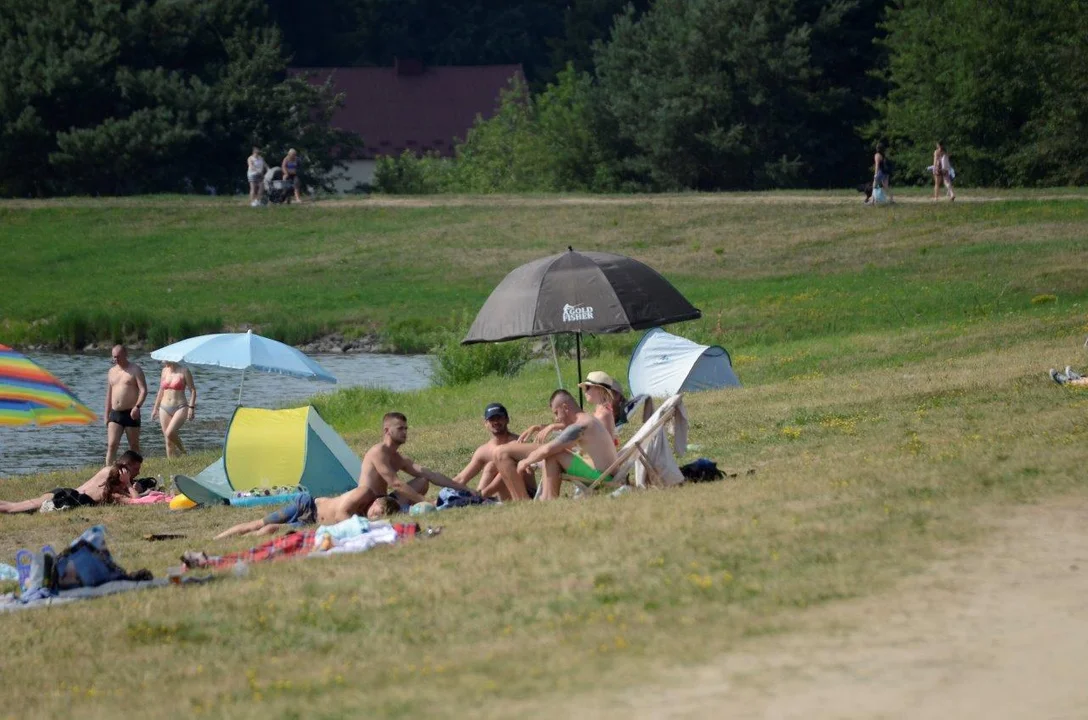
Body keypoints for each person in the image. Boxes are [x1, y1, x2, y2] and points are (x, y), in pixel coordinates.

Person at [215, 412, 475, 538]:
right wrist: (424, 503)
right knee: (262, 524)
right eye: (400, 428)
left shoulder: (397, 458)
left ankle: (239, 536)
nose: (405, 432)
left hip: (362, 506)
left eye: (407, 428)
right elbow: (395, 482)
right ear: (387, 430)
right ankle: (221, 538)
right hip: (313, 506)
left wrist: (464, 488)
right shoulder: (378, 453)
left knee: (422, 479)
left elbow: (428, 474)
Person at [493, 389, 619, 500]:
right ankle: (546, 499)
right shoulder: (586, 420)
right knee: (552, 453)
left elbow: (548, 449)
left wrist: (524, 462)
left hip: (602, 479)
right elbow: (558, 440)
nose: (556, 418)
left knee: (553, 453)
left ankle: (545, 499)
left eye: (556, 413)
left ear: (565, 407)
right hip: (603, 474)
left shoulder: (582, 425)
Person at [0, 451, 143, 514]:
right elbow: (136, 501)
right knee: (13, 509)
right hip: (68, 500)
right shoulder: (116, 482)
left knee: (17, 504)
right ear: (126, 465)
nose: (138, 472)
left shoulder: (107, 470)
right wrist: (130, 486)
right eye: (135, 469)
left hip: (65, 491)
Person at [451, 403, 536, 500]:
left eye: (499, 418)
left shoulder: (518, 443)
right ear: (486, 423)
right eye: (492, 419)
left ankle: (480, 497)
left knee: (502, 463)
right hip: (506, 497)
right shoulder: (484, 450)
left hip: (526, 493)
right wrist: (442, 495)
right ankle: (479, 498)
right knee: (491, 465)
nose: (496, 422)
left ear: (507, 419)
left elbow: (529, 469)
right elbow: (462, 478)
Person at [105, 345, 147, 465]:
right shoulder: (111, 371)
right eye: (114, 357)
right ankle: (108, 473)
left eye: (118, 357)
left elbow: (143, 390)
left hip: (131, 413)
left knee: (133, 445)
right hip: (115, 413)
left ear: (125, 355)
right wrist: (106, 414)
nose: (116, 359)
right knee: (112, 445)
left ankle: (136, 469)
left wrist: (137, 407)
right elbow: (109, 395)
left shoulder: (135, 370)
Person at [150, 360, 196, 458]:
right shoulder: (164, 371)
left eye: (165, 359)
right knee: (168, 440)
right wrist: (155, 408)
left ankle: (184, 451)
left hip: (181, 406)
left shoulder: (184, 371)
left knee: (170, 432)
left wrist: (191, 408)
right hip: (164, 407)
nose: (163, 362)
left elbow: (192, 390)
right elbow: (161, 391)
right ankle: (172, 463)